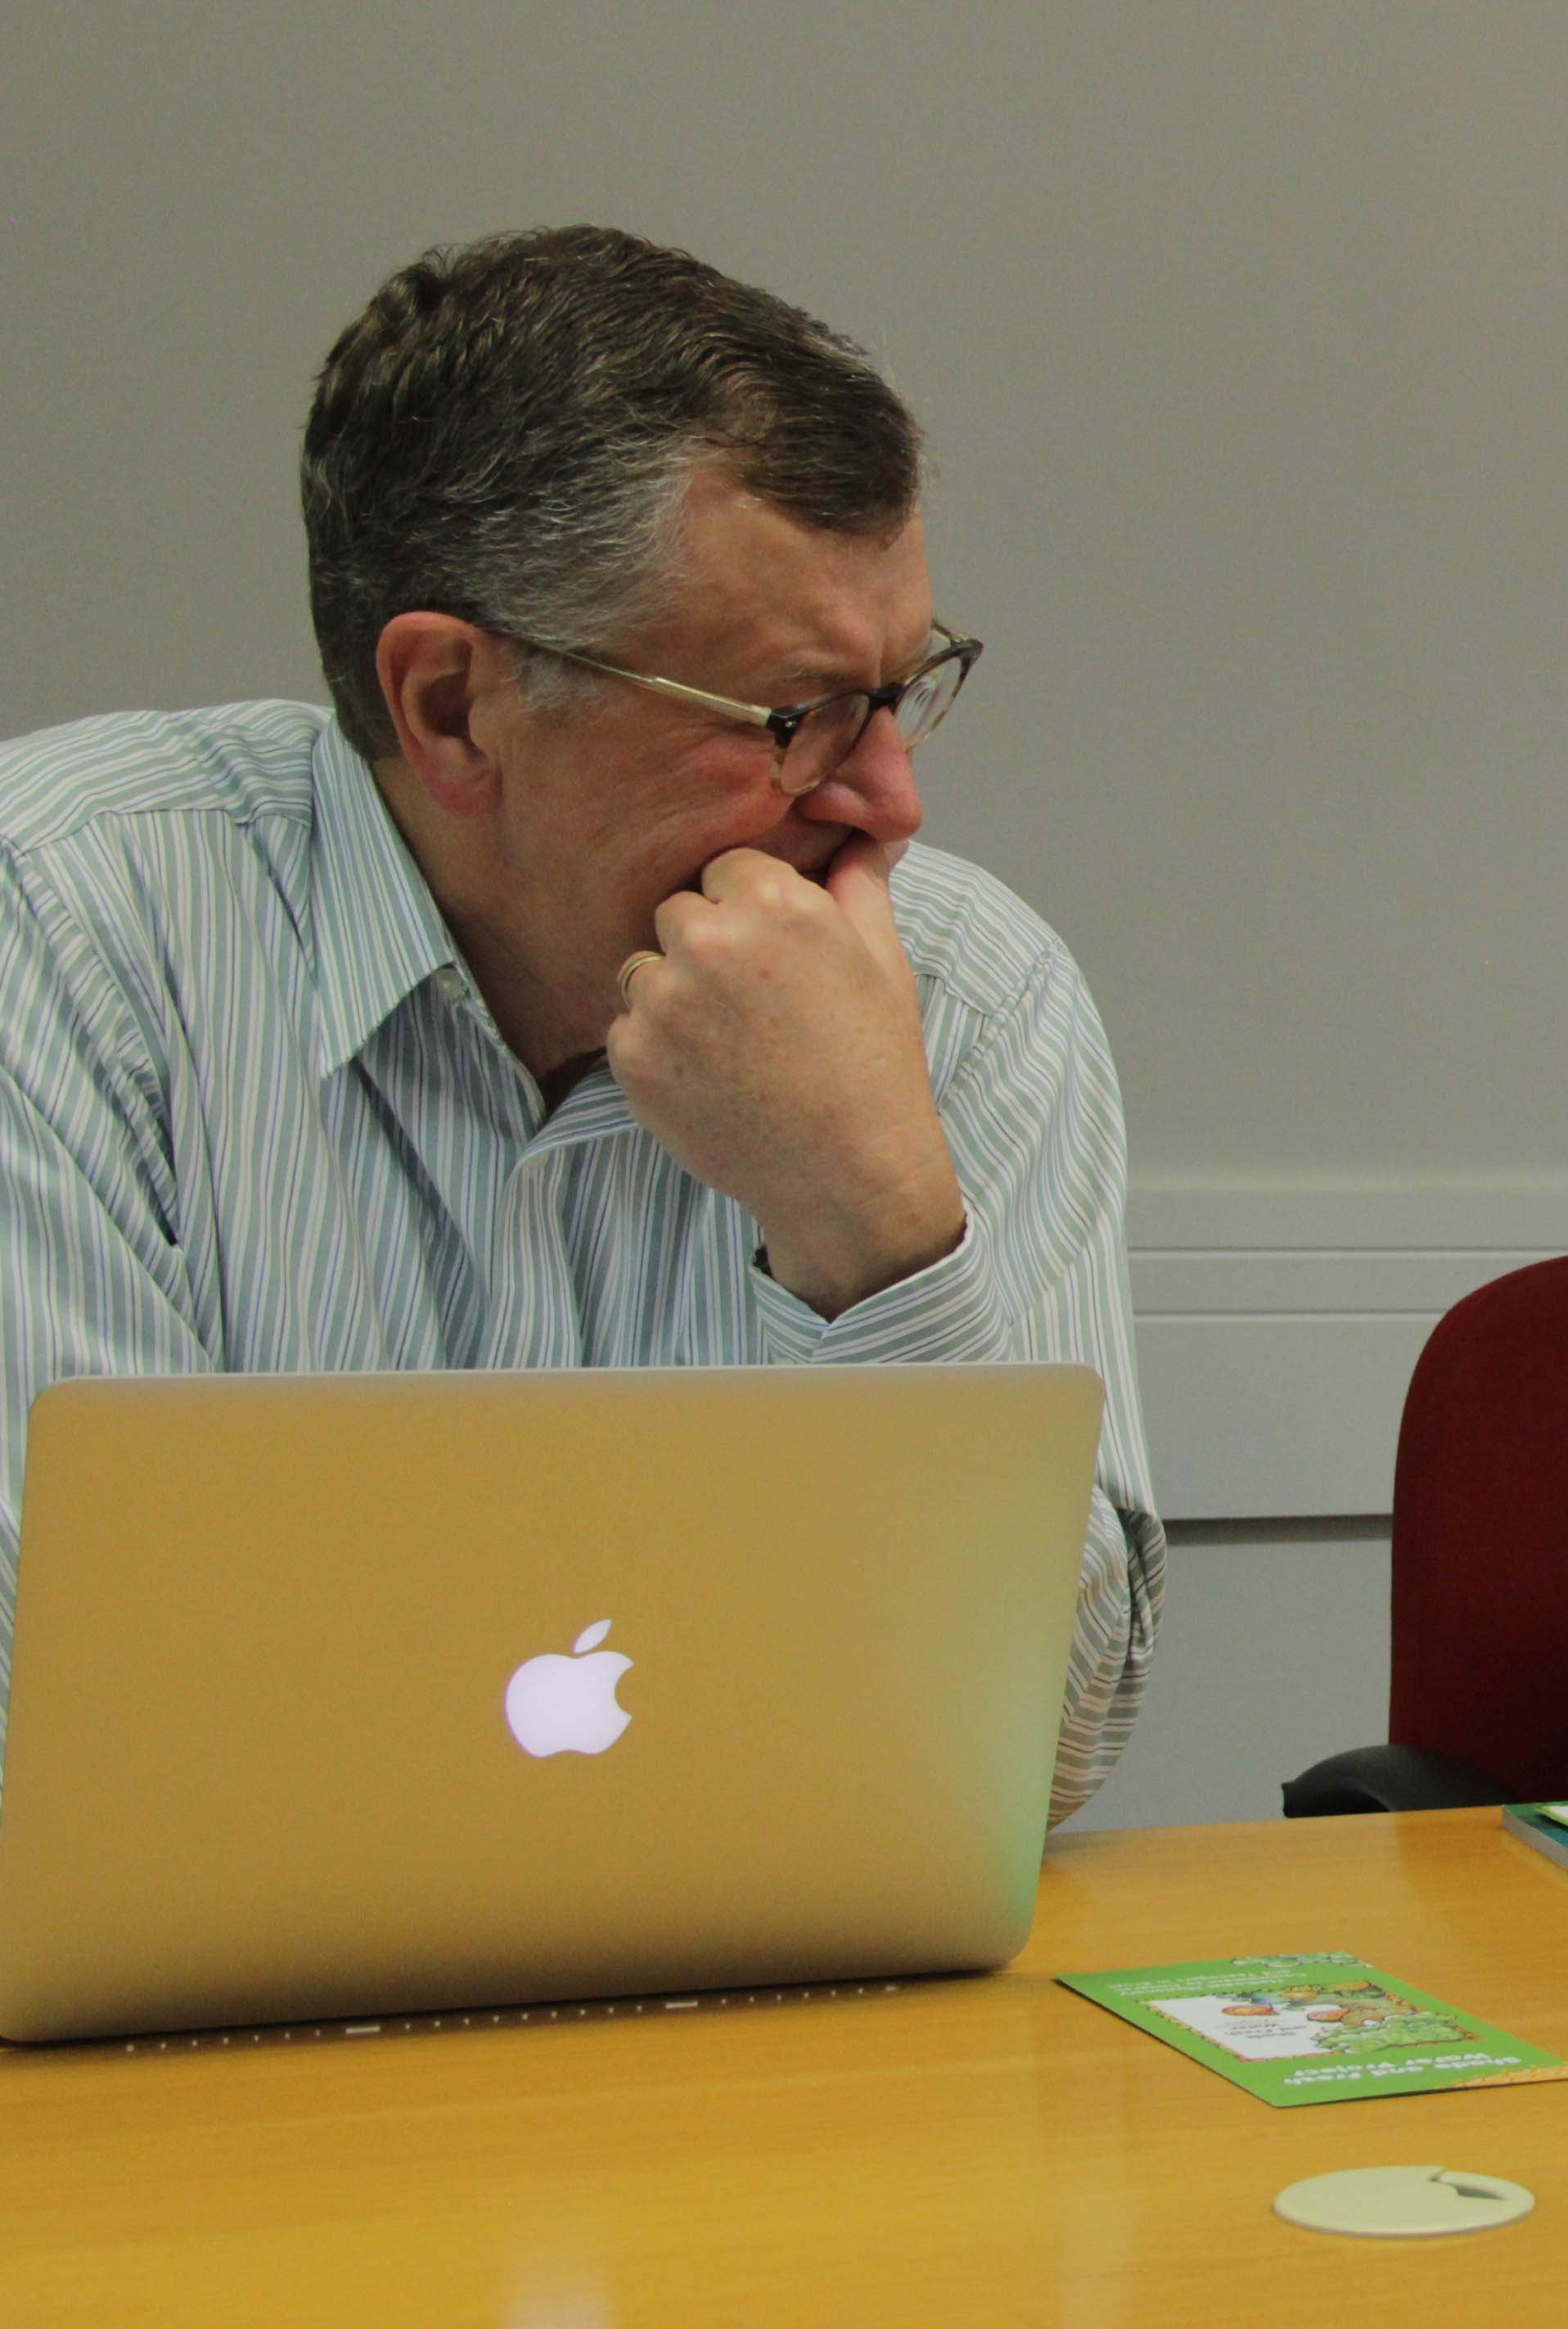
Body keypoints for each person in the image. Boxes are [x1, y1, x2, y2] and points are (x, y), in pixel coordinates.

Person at [0, 228, 1160, 1819]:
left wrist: (877, 1234)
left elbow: (1038, 1769)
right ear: (452, 707)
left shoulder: (965, 985)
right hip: (207, 2054)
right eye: (795, 715)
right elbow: (65, 1739)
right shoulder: (65, 935)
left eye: (906, 687)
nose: (893, 799)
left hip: (782, 2027)